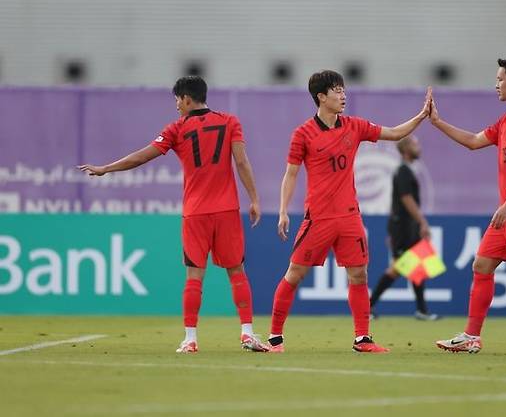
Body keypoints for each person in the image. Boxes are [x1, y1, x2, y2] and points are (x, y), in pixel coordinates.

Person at [78, 76, 268, 353]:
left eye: (178, 100)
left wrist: (106, 168)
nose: (177, 105)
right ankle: (247, 333)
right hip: (227, 209)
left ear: (187, 99)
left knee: (194, 275)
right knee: (237, 272)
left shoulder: (177, 128)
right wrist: (254, 199)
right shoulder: (230, 121)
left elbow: (142, 156)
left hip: (196, 212)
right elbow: (241, 161)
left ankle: (190, 339)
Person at [268, 70, 432, 353]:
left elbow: (393, 134)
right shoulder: (302, 134)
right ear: (321, 97)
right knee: (295, 273)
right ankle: (275, 339)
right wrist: (283, 210)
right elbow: (291, 174)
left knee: (359, 274)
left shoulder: (354, 126)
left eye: (343, 89)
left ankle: (362, 339)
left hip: (349, 216)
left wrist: (420, 117)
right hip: (318, 217)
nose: (343, 95)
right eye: (336, 90)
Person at [431, 59, 506, 355]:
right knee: (482, 265)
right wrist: (437, 122)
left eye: (500, 78)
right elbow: (474, 141)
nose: (495, 84)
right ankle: (471, 337)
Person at [369, 135, 439, 321]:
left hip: (406, 227)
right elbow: (406, 199)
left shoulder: (408, 170)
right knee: (398, 269)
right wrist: (422, 221)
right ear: (406, 149)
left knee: (417, 265)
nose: (419, 147)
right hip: (403, 228)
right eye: (415, 144)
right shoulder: (403, 172)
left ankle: (422, 310)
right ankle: (366, 307)